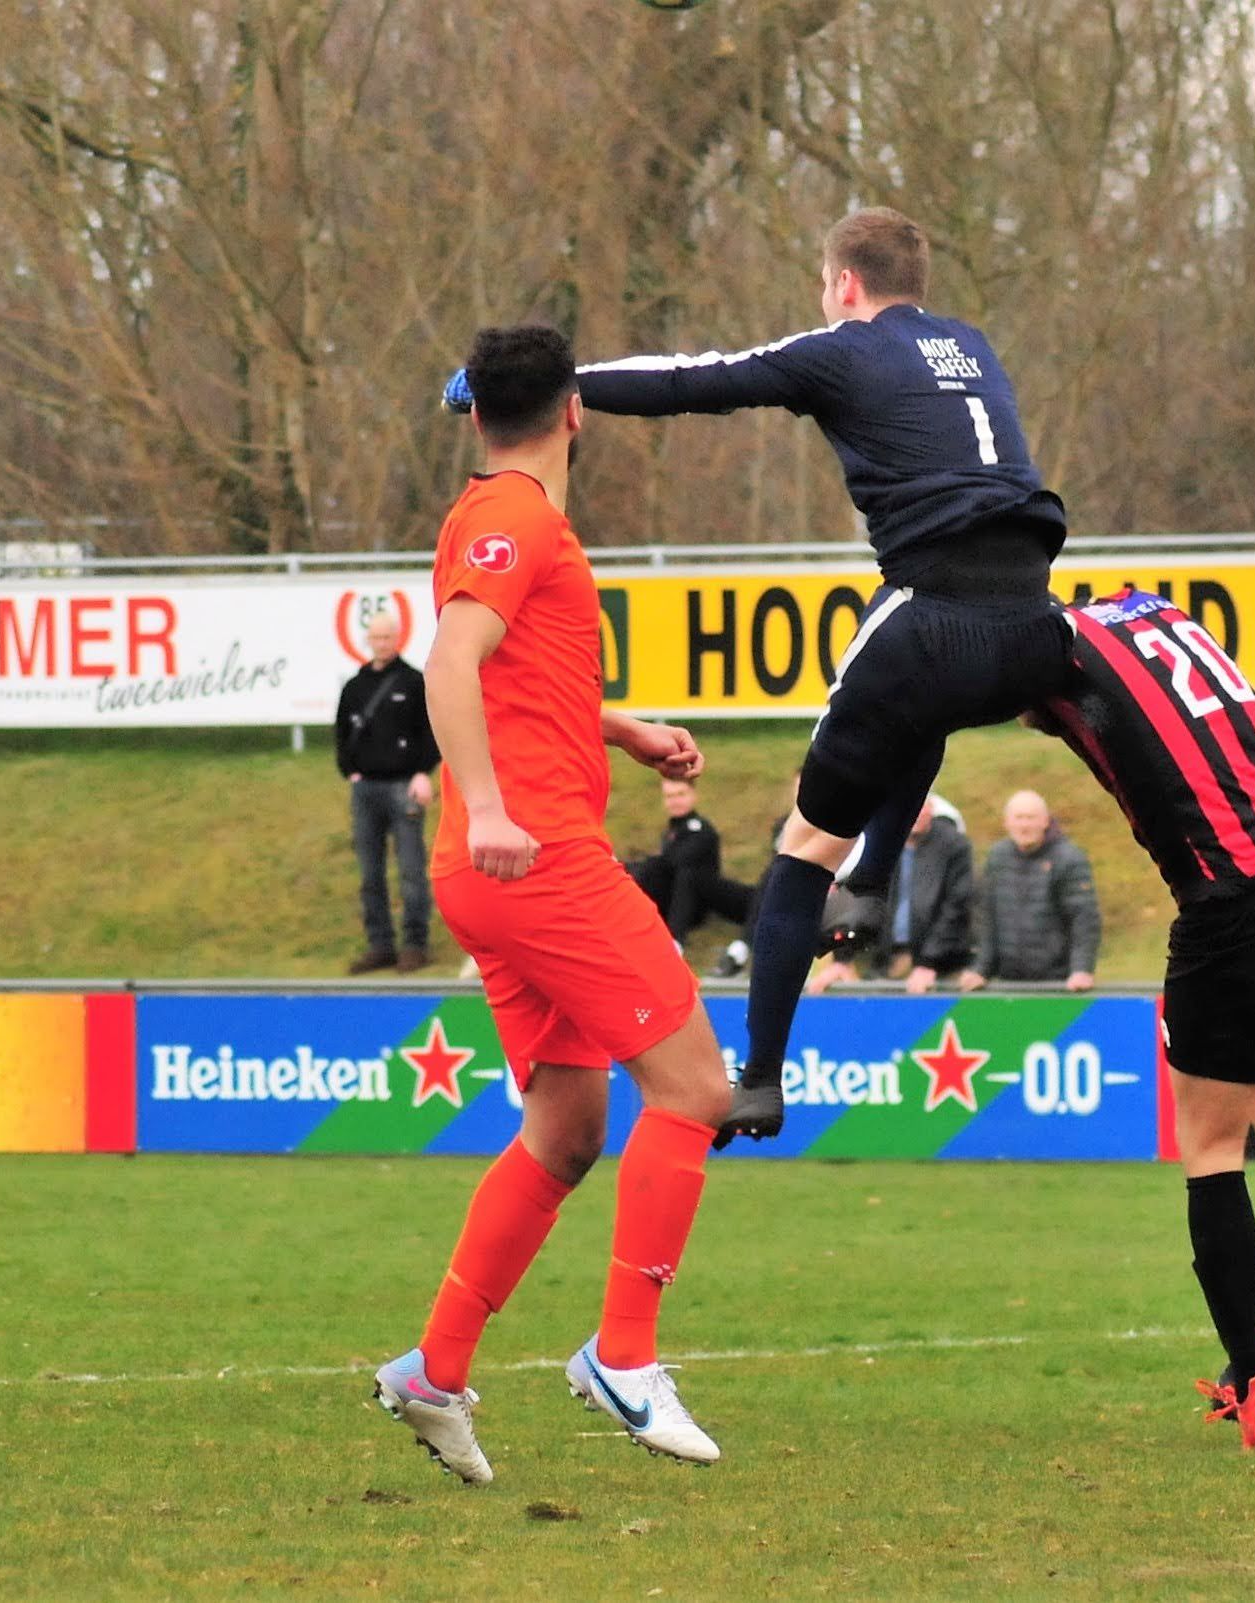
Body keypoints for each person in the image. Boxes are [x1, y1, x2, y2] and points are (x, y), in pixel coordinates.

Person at [454, 208, 1073, 1147]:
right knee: (923, 699)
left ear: (844, 286)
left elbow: (696, 380)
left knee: (796, 850)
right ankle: (872, 881)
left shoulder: (843, 347)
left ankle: (762, 1074)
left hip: (932, 616)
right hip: (1036, 622)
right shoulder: (970, 344)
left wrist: (556, 386)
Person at [375, 325, 732, 1483]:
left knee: (569, 1129)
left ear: (477, 412)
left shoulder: (510, 512)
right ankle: (623, 1355)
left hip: (500, 869)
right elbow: (450, 660)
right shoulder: (519, 515)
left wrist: (615, 727)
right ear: (576, 409)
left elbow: (517, 672)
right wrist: (485, 805)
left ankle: (433, 1369)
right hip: (533, 863)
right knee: (693, 1086)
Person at [1033, 588, 1255, 1450]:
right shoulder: (1151, 612)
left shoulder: (1048, 645)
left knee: (1211, 1146)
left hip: (1241, 897)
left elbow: (995, 691)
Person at [334, 611, 440, 973]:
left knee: (411, 869)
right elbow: (341, 734)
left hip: (404, 786)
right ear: (369, 640)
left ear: (398, 638)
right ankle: (380, 944)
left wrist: (424, 773)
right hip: (366, 791)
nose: (382, 643)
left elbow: (432, 732)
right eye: (376, 637)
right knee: (369, 872)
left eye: (387, 637)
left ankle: (415, 943)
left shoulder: (413, 683)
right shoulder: (355, 687)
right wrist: (351, 772)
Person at [805, 795, 975, 994]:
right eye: (910, 806)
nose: (916, 813)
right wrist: (842, 958)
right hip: (882, 960)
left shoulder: (953, 846)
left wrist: (929, 963)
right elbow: (859, 896)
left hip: (938, 965)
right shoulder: (879, 843)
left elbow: (956, 907)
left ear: (932, 809)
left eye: (922, 806)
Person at [960, 790, 1100, 992]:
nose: (1024, 825)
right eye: (1018, 818)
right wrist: (981, 969)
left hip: (1058, 982)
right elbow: (987, 918)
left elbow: (1084, 919)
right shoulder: (997, 858)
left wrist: (1082, 969)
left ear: (1045, 821)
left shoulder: (1069, 859)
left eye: (1031, 818)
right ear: (1006, 822)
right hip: (1008, 982)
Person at [626, 777, 757, 939]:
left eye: (680, 794)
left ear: (693, 795)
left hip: (693, 905)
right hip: (673, 897)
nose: (675, 801)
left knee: (654, 867)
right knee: (632, 868)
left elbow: (676, 861)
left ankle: (673, 939)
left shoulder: (701, 830)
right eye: (669, 796)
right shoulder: (672, 831)